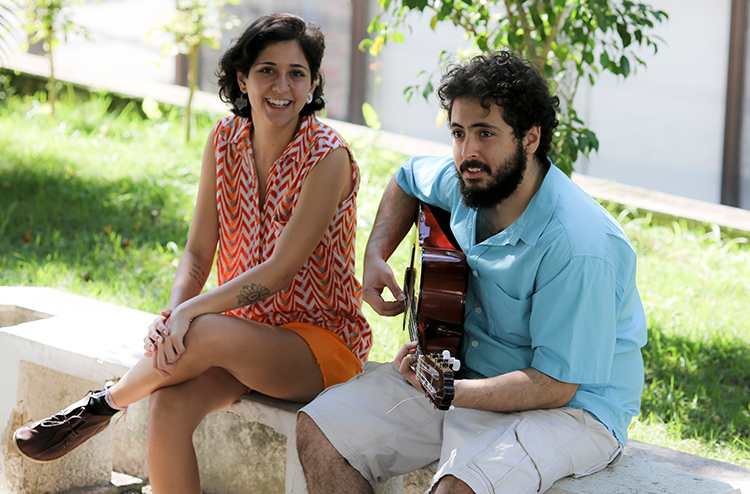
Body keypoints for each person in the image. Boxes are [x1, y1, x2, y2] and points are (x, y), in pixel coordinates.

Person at [13, 13, 371, 494]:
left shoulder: (327, 155)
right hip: (238, 334)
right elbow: (197, 254)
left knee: (201, 330)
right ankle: (109, 404)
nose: (281, 85)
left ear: (312, 84)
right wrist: (172, 313)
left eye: (296, 73)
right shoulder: (224, 140)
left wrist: (190, 313)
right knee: (168, 406)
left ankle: (101, 406)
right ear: (243, 78)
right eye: (267, 70)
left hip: (317, 347)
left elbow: (280, 272)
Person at [296, 50, 647, 494]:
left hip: (572, 409)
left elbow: (556, 384)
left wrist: (446, 391)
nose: (467, 152)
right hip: (465, 372)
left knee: (459, 489)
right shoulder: (469, 182)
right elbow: (406, 178)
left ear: (531, 138)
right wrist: (376, 254)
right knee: (322, 431)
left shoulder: (579, 245)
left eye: (486, 133)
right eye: (459, 133)